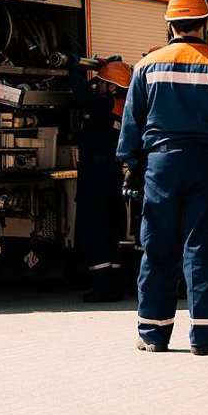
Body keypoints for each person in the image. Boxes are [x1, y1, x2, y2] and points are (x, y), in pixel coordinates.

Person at [118, 0, 208, 356]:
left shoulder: (147, 66)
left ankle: (152, 333)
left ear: (171, 24)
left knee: (157, 245)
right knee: (203, 245)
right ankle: (207, 334)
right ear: (204, 23)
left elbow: (131, 120)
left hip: (160, 166)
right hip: (205, 164)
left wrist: (130, 164)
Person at [68, 55, 133, 303]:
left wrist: (75, 68)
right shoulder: (122, 106)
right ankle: (114, 284)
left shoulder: (103, 105)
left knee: (93, 232)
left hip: (95, 179)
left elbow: (80, 96)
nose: (99, 85)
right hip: (111, 177)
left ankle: (103, 288)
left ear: (113, 87)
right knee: (109, 233)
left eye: (103, 82)